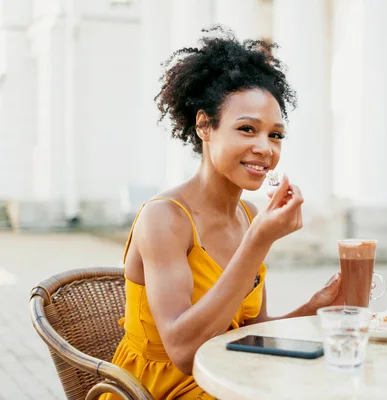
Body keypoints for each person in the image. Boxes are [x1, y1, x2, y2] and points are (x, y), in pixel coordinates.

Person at [102, 26, 342, 400]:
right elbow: (182, 352)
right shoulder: (165, 219)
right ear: (204, 126)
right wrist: (259, 242)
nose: (265, 147)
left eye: (275, 135)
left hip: (227, 376)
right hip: (156, 390)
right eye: (247, 129)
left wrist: (314, 307)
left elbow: (253, 331)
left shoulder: (247, 214)